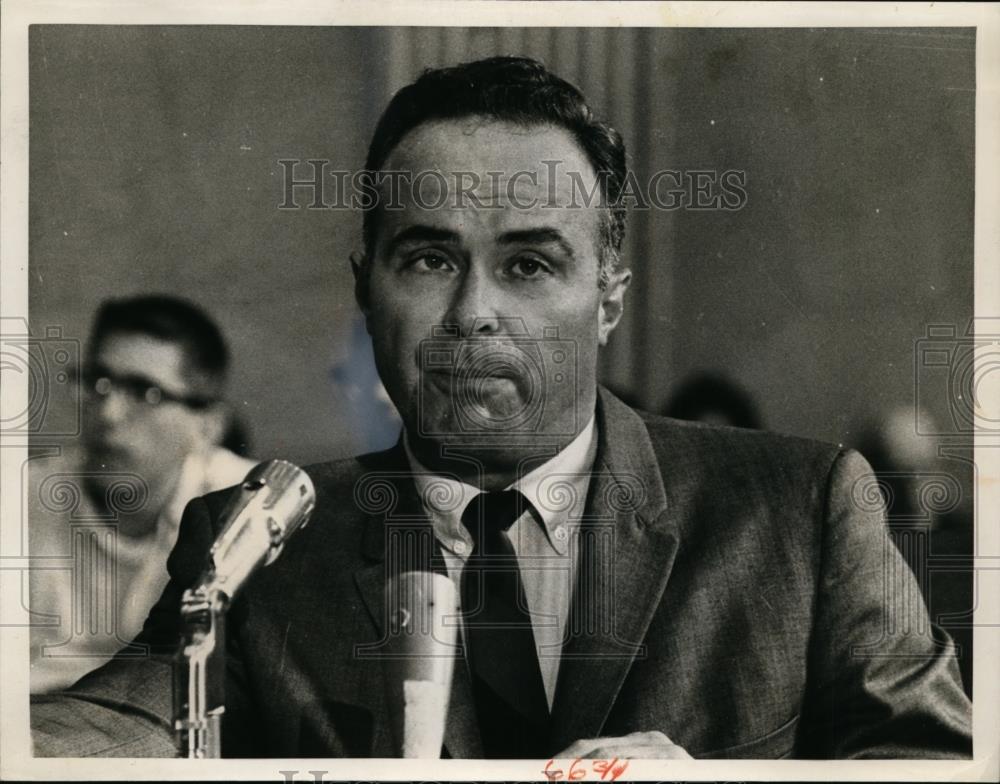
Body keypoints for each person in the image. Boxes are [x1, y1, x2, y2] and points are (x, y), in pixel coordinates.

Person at [32, 57, 970, 759]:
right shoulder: (265, 546)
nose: (473, 314)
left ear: (609, 294)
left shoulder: (801, 511)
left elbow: (935, 766)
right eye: (429, 260)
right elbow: (112, 722)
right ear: (366, 287)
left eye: (528, 265)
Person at [28, 295, 257, 693]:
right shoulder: (19, 500)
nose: (108, 414)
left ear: (207, 426)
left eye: (144, 392)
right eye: (99, 383)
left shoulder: (248, 508)